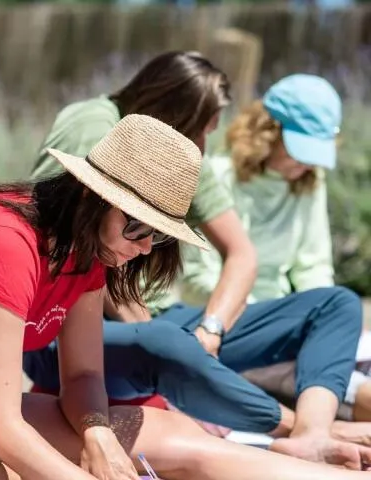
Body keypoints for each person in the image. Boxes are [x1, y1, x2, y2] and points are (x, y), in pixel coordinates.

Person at [0, 115, 370, 480]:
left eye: (159, 236)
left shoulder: (88, 253)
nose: (144, 247)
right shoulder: (3, 240)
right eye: (137, 225)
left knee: (171, 434)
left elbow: (80, 375)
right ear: (89, 197)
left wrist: (97, 430)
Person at [24, 54, 370, 462]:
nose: (205, 145)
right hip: (62, 333)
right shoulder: (96, 125)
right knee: (164, 342)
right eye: (204, 129)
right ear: (173, 110)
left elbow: (241, 253)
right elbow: (75, 243)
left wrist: (211, 330)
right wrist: (159, 335)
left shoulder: (179, 155)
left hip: (157, 324)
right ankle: (300, 427)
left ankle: (312, 433)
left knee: (336, 303)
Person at [179, 73, 371, 428]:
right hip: (228, 321)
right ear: (266, 132)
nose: (308, 164)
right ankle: (314, 427)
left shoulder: (309, 184)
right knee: (338, 380)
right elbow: (196, 278)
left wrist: (313, 322)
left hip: (288, 319)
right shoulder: (216, 178)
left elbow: (314, 267)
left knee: (342, 325)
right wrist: (271, 324)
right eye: (300, 150)